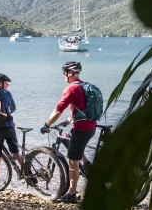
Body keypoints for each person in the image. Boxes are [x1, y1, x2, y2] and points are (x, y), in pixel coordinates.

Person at [40, 61, 96, 204]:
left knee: (73, 162)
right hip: (91, 126)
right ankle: (88, 166)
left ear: (70, 74)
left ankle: (71, 194)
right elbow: (83, 106)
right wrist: (70, 119)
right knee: (77, 149)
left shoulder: (71, 89)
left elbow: (59, 110)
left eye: (64, 73)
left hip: (81, 129)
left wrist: (47, 124)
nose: (63, 76)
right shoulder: (84, 86)